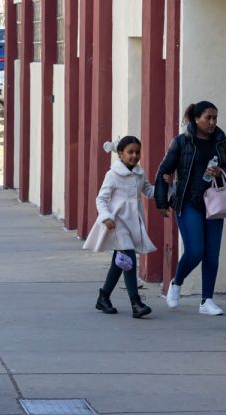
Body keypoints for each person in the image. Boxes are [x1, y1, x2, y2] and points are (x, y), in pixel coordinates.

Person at [154, 100, 226, 316]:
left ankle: (207, 300)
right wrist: (161, 202)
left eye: (215, 118)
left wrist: (221, 171)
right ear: (196, 119)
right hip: (188, 203)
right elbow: (164, 170)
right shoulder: (181, 142)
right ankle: (176, 282)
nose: (212, 122)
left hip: (213, 205)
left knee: (212, 254)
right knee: (195, 251)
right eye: (208, 118)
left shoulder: (220, 141)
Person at [82, 135, 156, 318]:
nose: (134, 156)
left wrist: (167, 186)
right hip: (117, 224)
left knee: (120, 262)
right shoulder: (112, 174)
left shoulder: (140, 173)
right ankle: (136, 303)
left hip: (133, 222)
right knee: (128, 259)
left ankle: (103, 297)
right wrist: (105, 216)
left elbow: (149, 191)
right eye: (130, 152)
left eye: (137, 152)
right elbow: (101, 198)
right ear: (121, 153)